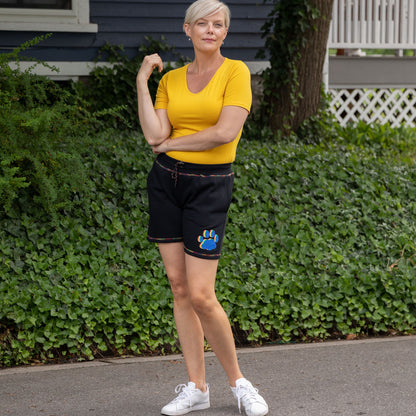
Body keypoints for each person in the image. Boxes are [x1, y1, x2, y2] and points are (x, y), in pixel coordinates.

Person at [136, 1, 269, 415]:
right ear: (187, 30)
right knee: (178, 288)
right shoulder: (171, 80)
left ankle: (241, 384)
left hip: (209, 187)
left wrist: (171, 143)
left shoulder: (236, 73)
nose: (210, 30)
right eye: (202, 24)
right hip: (166, 183)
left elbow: (224, 132)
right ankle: (197, 388)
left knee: (201, 294)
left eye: (219, 24)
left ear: (225, 33)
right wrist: (142, 81)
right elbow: (154, 133)